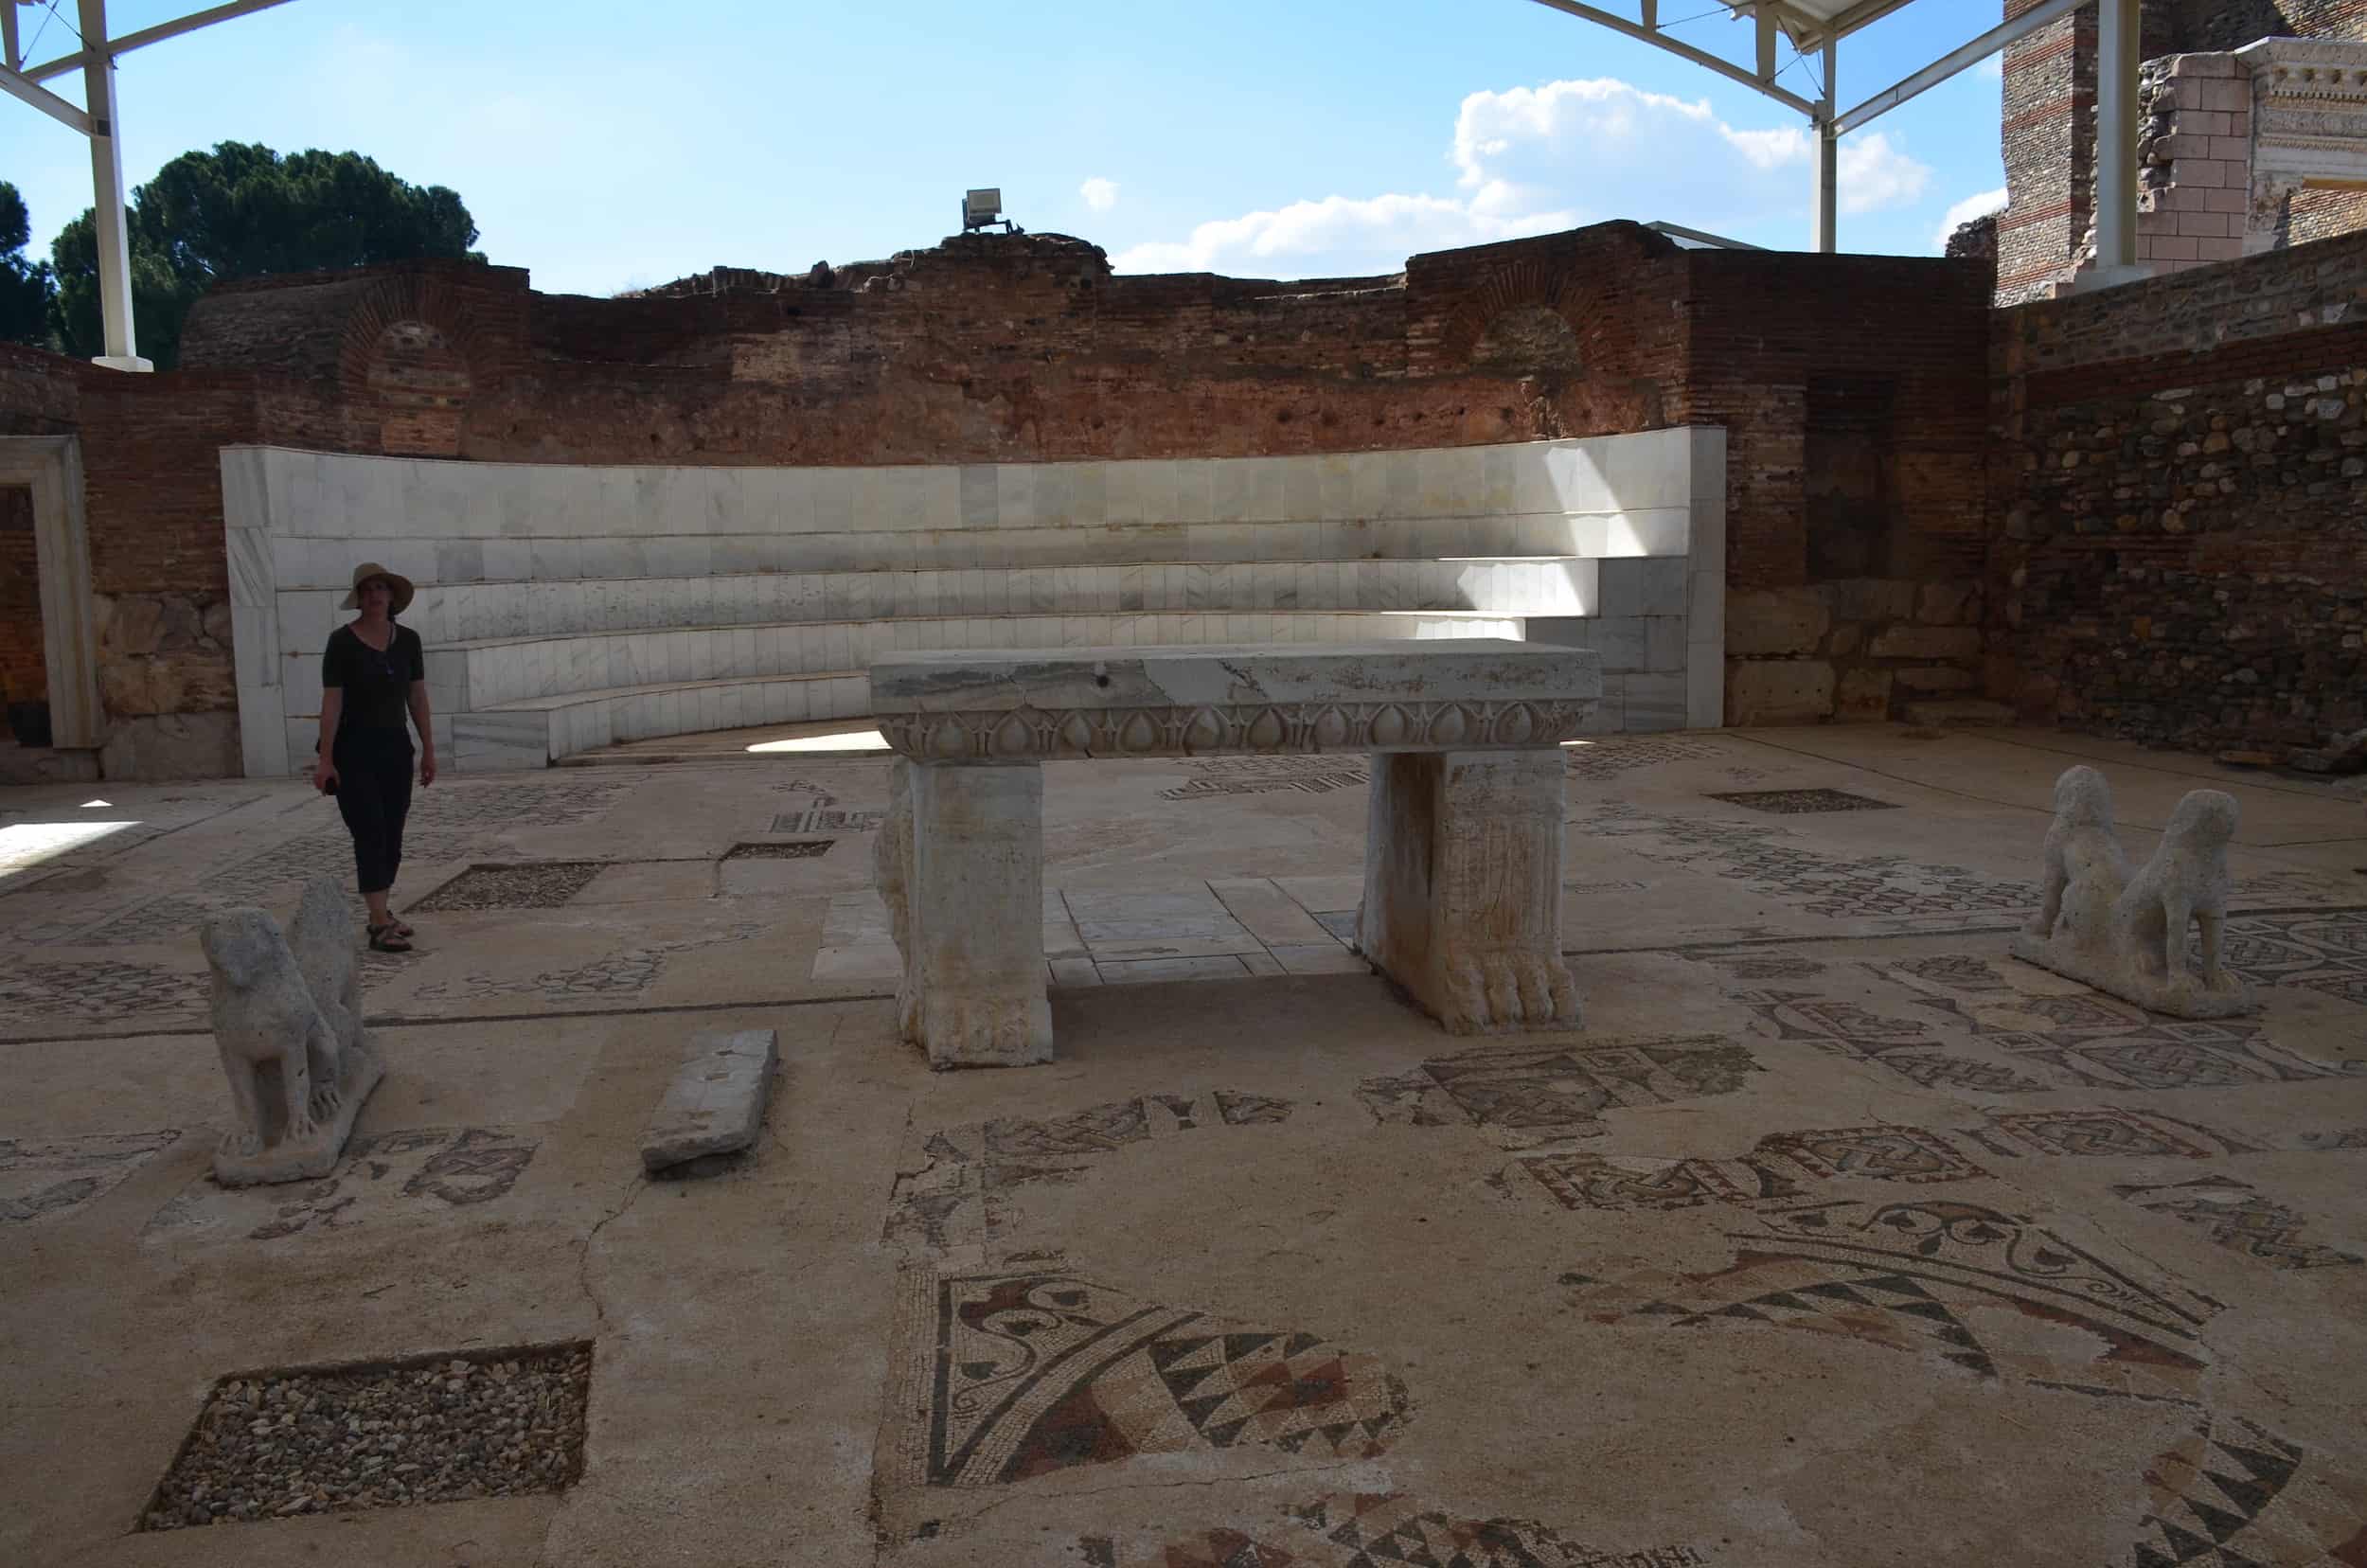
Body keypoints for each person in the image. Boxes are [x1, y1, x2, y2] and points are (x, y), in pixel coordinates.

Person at [311, 562, 436, 952]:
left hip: (395, 749)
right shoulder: (341, 643)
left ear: (392, 597)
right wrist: (326, 759)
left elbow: (416, 696)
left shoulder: (409, 641)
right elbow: (332, 702)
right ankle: (380, 922)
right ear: (359, 598)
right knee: (370, 832)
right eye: (368, 590)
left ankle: (380, 912)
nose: (375, 596)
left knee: (393, 835)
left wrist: (429, 748)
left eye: (382, 588)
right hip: (353, 751)